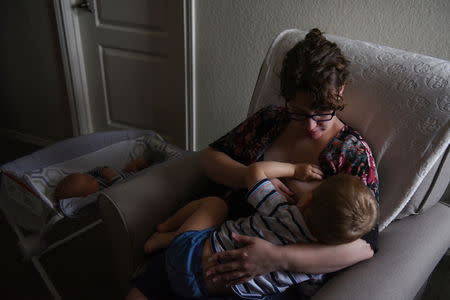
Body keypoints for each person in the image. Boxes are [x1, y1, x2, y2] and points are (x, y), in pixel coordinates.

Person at [127, 27, 380, 299]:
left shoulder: (351, 153)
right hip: (213, 239)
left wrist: (276, 258)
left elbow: (364, 246)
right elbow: (211, 159)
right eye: (299, 112)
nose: (310, 126)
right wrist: (251, 177)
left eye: (321, 114)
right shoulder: (271, 119)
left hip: (264, 275)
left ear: (339, 92)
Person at [142, 161, 377, 298]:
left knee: (215, 204)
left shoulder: (280, 210)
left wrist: (294, 170)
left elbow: (254, 171)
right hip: (203, 291)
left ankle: (169, 233)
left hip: (185, 254)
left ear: (307, 200)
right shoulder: (313, 270)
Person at [54, 157, 148, 200]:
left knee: (138, 162)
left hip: (125, 173)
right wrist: (112, 176)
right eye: (89, 180)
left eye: (85, 175)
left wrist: (103, 170)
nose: (90, 176)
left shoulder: (92, 183)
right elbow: (120, 190)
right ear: (86, 195)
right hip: (130, 183)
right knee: (145, 173)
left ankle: (150, 157)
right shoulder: (102, 195)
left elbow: (94, 171)